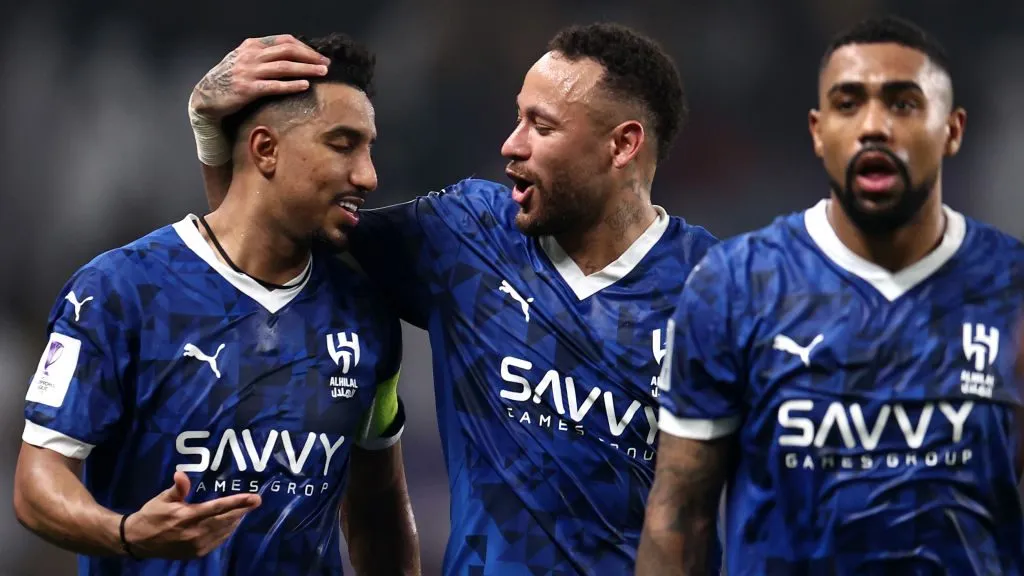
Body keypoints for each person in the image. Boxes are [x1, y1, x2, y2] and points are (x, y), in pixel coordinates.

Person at [188, 24, 721, 575]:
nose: (512, 144)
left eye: (541, 126)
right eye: (519, 117)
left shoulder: (716, 293)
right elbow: (269, 231)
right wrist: (210, 128)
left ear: (623, 144)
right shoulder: (466, 235)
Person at [14, 33, 420, 576]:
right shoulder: (120, 290)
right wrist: (127, 534)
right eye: (343, 144)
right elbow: (38, 484)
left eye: (370, 149)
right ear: (265, 149)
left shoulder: (366, 318)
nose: (368, 176)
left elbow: (376, 509)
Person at [638, 15, 1024, 575]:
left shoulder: (1012, 287)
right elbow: (679, 516)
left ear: (953, 129)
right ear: (818, 132)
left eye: (903, 104)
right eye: (848, 104)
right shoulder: (736, 285)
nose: (874, 126)